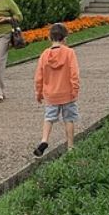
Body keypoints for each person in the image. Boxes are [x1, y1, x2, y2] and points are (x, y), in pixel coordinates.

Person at [33, 22, 80, 157]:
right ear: (65, 38)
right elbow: (74, 73)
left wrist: (39, 92)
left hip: (50, 94)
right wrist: (75, 89)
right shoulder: (69, 53)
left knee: (49, 118)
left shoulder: (44, 55)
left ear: (49, 38)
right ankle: (70, 146)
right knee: (69, 119)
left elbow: (38, 76)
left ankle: (44, 139)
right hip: (67, 93)